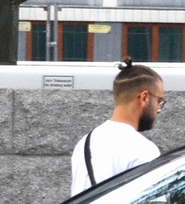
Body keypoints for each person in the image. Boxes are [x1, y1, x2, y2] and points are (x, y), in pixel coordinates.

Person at [70, 60, 165, 194]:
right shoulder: (142, 149)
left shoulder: (85, 142)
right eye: (159, 101)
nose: (159, 109)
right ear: (144, 98)